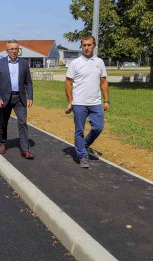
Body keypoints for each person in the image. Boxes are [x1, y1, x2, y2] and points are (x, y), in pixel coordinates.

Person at [64, 35, 110, 168]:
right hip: (79, 103)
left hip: (95, 103)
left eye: (89, 45)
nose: (86, 48)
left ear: (94, 46)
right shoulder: (75, 63)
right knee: (79, 130)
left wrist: (106, 100)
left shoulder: (100, 62)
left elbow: (104, 82)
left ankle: (83, 144)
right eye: (84, 45)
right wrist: (70, 101)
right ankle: (82, 156)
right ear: (81, 47)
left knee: (98, 127)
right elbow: (68, 83)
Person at [0, 39, 34, 159]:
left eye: (16, 49)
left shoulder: (24, 63)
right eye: (11, 49)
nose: (14, 51)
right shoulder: (0, 64)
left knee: (22, 122)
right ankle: (3, 143)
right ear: (7, 50)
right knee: (3, 123)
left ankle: (25, 149)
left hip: (19, 98)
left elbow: (28, 82)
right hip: (5, 98)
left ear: (18, 50)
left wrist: (30, 96)